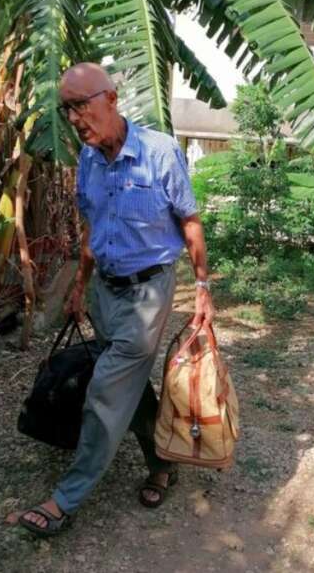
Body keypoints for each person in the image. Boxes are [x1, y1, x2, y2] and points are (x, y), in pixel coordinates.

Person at [17, 63, 215, 537]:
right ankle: (162, 464)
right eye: (67, 110)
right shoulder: (87, 160)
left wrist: (204, 288)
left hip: (149, 290)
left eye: (82, 105)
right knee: (129, 383)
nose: (76, 119)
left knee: (106, 392)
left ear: (111, 98)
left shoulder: (160, 152)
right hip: (106, 288)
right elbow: (91, 230)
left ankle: (65, 500)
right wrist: (80, 285)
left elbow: (190, 222)